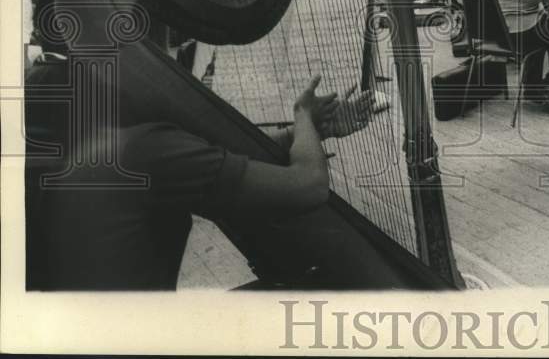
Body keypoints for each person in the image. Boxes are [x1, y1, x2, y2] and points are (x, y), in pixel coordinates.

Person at [25, 67, 374, 291]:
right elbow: (309, 185)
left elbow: (219, 161)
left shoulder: (79, 150)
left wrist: (306, 135)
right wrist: (304, 116)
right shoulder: (143, 151)